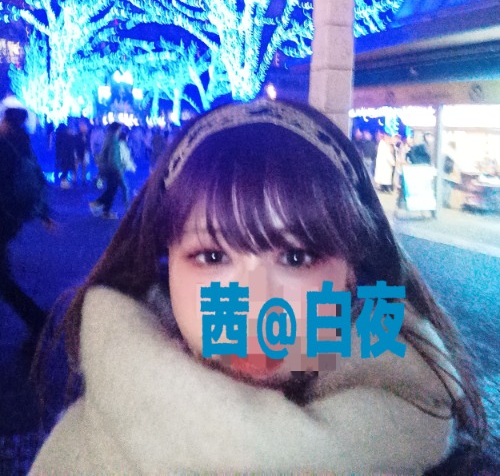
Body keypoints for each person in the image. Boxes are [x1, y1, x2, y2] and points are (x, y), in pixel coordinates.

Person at [31, 99, 487, 474]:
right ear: (166, 266)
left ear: (352, 273)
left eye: (296, 257)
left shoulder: (435, 445)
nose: (255, 306)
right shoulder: (84, 452)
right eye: (212, 257)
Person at [0, 107, 52, 338]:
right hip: (12, 218)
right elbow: (37, 178)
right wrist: (43, 214)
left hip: (3, 217)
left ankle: (38, 320)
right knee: (3, 279)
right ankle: (37, 319)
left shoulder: (4, 146)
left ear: (6, 122)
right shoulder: (24, 144)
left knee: (4, 281)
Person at [89, 122, 122, 219]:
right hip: (111, 169)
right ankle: (99, 205)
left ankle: (105, 210)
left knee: (111, 189)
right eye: (120, 129)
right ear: (116, 130)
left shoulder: (108, 138)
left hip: (106, 168)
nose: (120, 131)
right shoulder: (113, 140)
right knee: (112, 190)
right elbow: (113, 158)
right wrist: (118, 169)